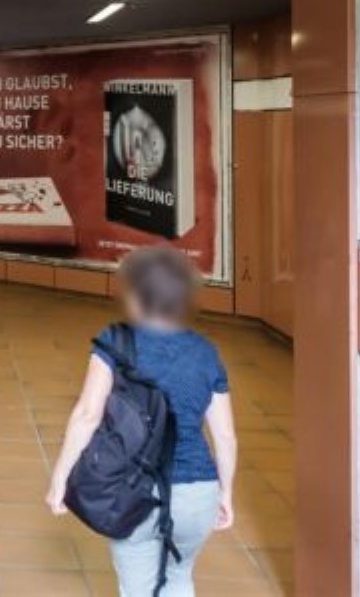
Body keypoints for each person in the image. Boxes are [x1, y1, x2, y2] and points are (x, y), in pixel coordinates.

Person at [46, 246, 238, 596]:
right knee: (179, 578)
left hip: (135, 489)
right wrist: (225, 492)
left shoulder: (115, 341)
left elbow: (87, 414)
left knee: (138, 589)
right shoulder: (206, 352)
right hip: (198, 494)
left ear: (135, 297)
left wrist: (61, 477)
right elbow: (225, 436)